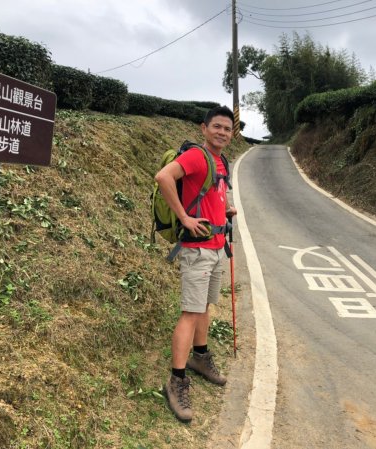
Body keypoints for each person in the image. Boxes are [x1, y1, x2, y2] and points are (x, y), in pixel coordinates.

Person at [154, 105, 237, 422]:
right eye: (216, 127)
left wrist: (226, 209)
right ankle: (176, 381)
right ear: (204, 128)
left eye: (227, 129)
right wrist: (184, 217)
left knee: (204, 307)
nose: (222, 133)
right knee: (191, 312)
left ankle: (200, 357)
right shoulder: (195, 157)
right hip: (197, 249)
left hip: (217, 246)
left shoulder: (221, 161)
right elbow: (163, 176)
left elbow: (217, 189)